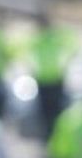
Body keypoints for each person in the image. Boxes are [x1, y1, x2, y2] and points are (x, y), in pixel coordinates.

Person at [27, 10, 75, 138]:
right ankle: (50, 138)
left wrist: (64, 65)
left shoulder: (54, 38)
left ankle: (55, 137)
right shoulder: (39, 39)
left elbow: (72, 48)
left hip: (55, 79)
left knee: (55, 114)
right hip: (44, 80)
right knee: (47, 114)